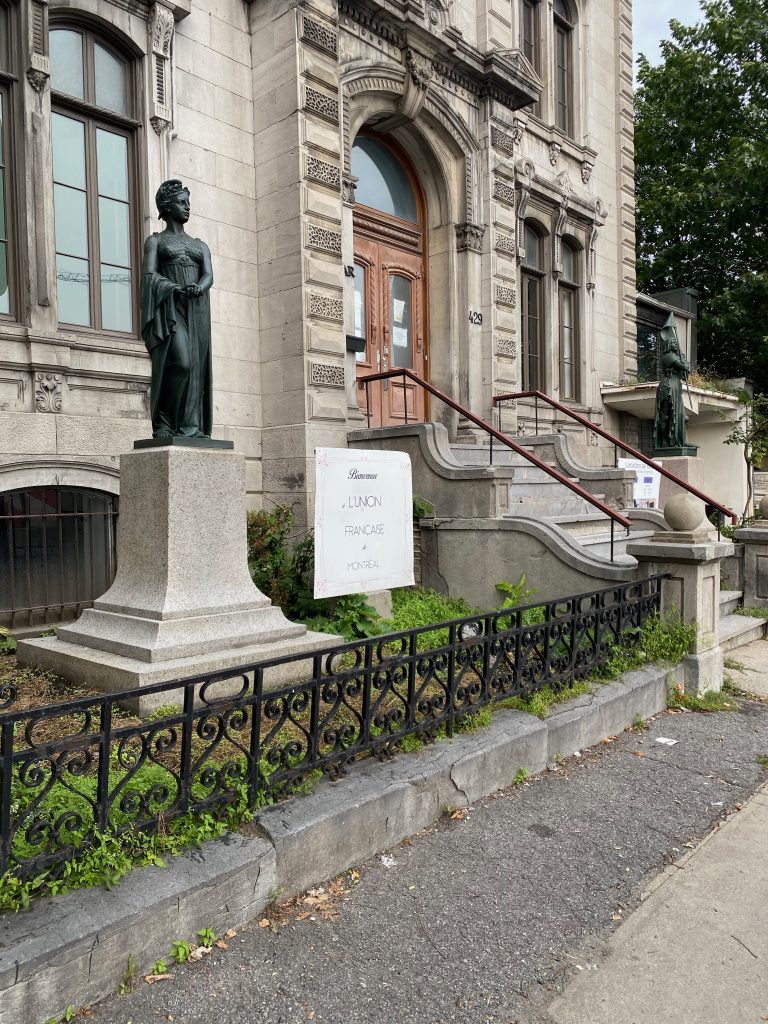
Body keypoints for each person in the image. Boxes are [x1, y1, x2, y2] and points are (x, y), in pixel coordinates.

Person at [140, 179, 213, 439]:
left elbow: (208, 276)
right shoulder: (155, 242)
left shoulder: (200, 245)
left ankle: (190, 427)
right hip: (171, 309)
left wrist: (199, 288)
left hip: (198, 309)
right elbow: (149, 276)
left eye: (188, 202)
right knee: (181, 363)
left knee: (196, 368)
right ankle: (165, 423)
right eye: (182, 202)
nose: (187, 207)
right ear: (167, 208)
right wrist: (174, 288)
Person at [653, 313, 690, 450]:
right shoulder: (668, 356)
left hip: (676, 385)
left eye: (676, 342)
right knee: (666, 414)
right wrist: (684, 361)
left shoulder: (675, 356)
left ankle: (677, 440)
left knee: (680, 415)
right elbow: (684, 367)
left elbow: (686, 370)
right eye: (673, 342)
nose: (675, 344)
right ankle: (663, 442)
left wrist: (684, 360)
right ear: (669, 344)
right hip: (668, 385)